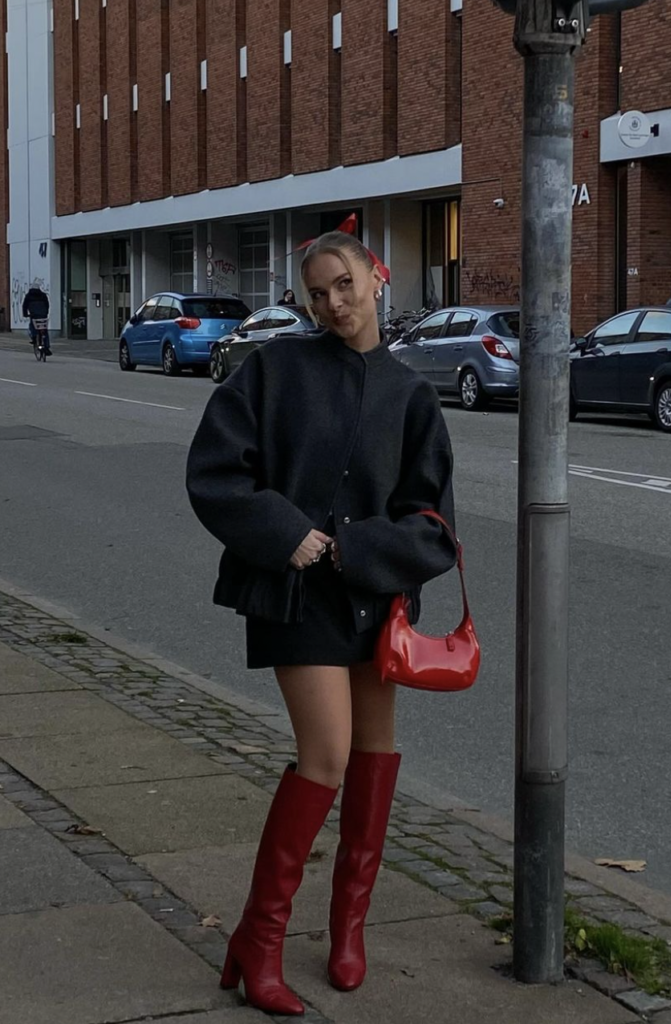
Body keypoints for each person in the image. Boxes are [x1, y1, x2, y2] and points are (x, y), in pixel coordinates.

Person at [186, 231, 457, 1015]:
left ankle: (349, 929)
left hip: (375, 602)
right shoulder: (275, 370)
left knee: (376, 755)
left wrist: (360, 547)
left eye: (344, 285)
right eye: (317, 293)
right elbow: (214, 472)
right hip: (297, 597)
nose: (332, 304)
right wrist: (288, 535)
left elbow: (434, 522)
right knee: (327, 757)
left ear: (378, 276)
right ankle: (260, 938)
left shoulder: (412, 395)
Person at [22, 285, 52, 355]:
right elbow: (47, 305)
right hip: (43, 315)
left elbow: (25, 306)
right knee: (44, 330)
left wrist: (25, 314)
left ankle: (34, 338)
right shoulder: (43, 295)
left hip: (34, 315)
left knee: (32, 326)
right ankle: (46, 347)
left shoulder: (29, 296)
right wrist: (46, 313)